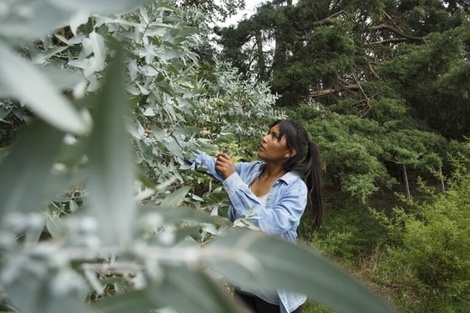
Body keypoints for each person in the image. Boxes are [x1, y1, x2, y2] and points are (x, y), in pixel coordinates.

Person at [193, 119, 324, 313]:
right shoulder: (251, 170)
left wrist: (233, 180)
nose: (265, 138)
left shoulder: (295, 189)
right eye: (268, 132)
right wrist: (172, 145)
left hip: (275, 294)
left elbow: (271, 225)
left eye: (275, 137)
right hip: (245, 283)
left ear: (290, 152)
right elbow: (210, 164)